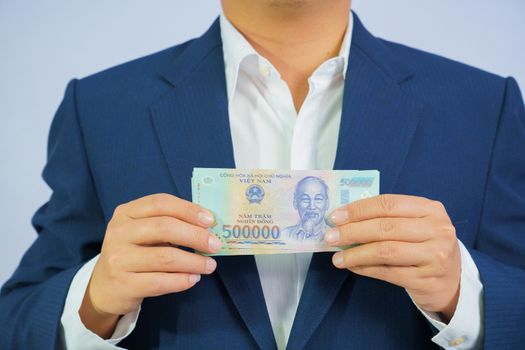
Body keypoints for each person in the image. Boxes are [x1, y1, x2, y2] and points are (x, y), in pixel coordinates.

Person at [1, 0, 524, 349]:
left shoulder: (484, 107)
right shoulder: (99, 108)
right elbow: (15, 319)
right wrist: (92, 300)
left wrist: (467, 292)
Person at [282, 176, 330, 241]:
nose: (312, 206)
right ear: (295, 203)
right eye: (305, 199)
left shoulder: (335, 235)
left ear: (327, 204)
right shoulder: (284, 235)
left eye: (318, 199)